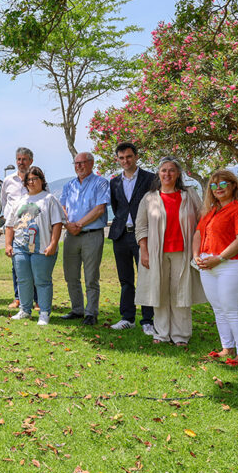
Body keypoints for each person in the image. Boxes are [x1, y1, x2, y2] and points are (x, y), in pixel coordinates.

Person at [135, 156, 205, 346]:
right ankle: (161, 333)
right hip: (156, 253)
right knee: (160, 292)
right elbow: (141, 227)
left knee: (181, 293)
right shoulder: (149, 198)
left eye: (171, 170)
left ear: (178, 174)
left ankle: (181, 335)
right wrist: (144, 250)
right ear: (159, 173)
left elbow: (201, 222)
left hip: (183, 252)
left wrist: (199, 249)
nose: (167, 174)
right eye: (164, 170)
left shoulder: (189, 195)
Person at [194, 170, 238, 365]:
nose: (218, 189)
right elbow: (198, 233)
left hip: (232, 265)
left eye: (223, 184)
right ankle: (227, 348)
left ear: (233, 185)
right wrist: (196, 256)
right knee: (219, 309)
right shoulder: (211, 210)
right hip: (208, 266)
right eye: (213, 185)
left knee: (232, 310)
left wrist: (219, 258)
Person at [5, 167, 64, 325]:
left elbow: (57, 224)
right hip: (20, 247)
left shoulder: (49, 199)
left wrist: (53, 244)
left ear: (42, 180)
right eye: (28, 180)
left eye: (35, 179)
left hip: (42, 248)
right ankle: (25, 310)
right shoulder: (20, 201)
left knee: (42, 281)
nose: (31, 182)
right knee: (23, 279)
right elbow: (10, 225)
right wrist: (8, 245)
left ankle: (44, 312)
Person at [108, 143, 156, 334]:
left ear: (136, 156)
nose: (125, 161)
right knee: (125, 279)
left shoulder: (150, 179)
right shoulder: (114, 182)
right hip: (121, 235)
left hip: (143, 235)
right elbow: (116, 206)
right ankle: (127, 318)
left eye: (128, 157)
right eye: (121, 158)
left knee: (146, 278)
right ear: (117, 160)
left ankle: (147, 320)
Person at [59, 152, 110, 326]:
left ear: (91, 163)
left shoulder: (100, 183)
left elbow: (99, 209)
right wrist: (68, 225)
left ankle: (91, 313)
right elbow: (62, 208)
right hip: (71, 236)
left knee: (91, 277)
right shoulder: (69, 186)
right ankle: (77, 309)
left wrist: (78, 224)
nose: (79, 166)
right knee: (71, 276)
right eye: (76, 163)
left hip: (91, 235)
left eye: (83, 163)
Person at [0, 148, 33, 310]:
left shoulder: (35, 179)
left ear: (31, 161)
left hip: (32, 228)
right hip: (13, 227)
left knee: (34, 262)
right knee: (17, 264)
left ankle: (37, 300)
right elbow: (4, 202)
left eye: (24, 159)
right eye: (19, 159)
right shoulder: (8, 180)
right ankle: (18, 298)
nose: (21, 162)